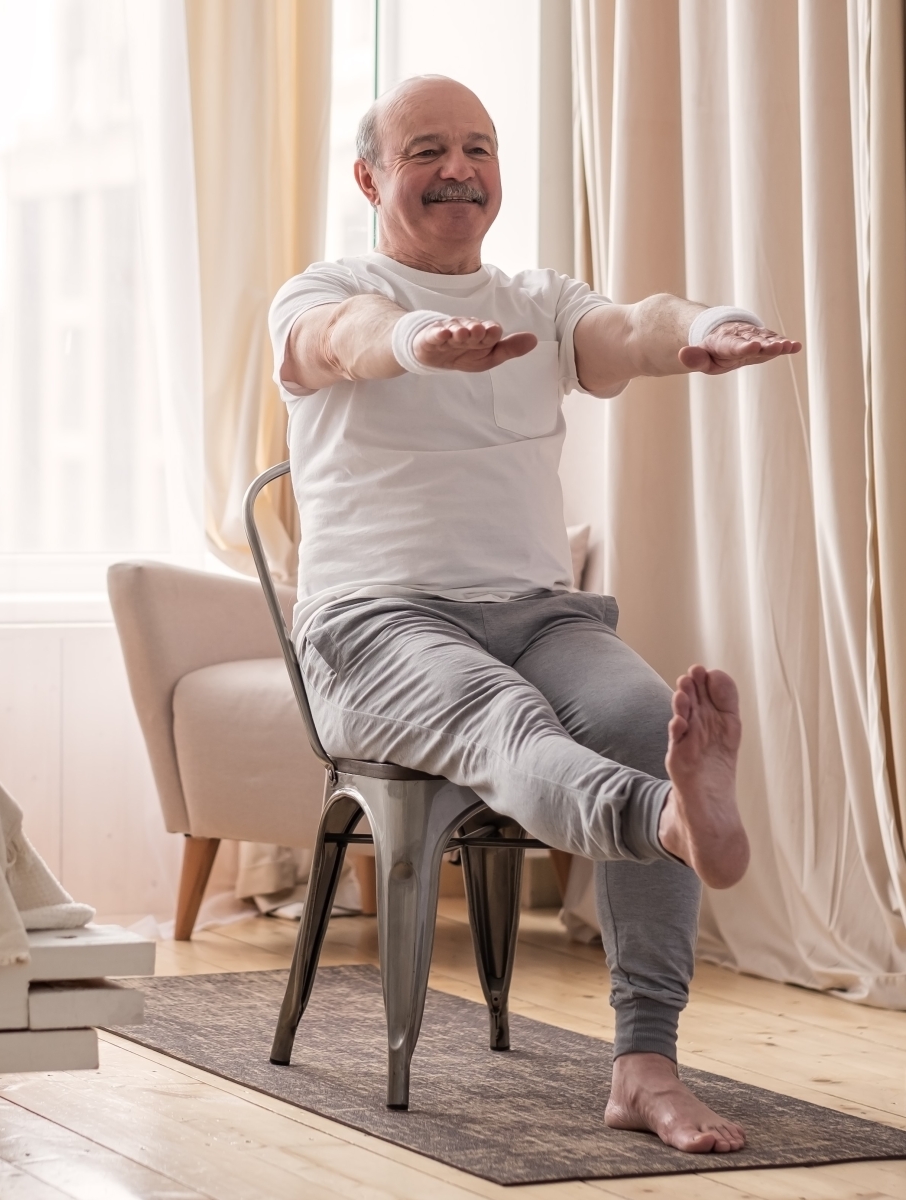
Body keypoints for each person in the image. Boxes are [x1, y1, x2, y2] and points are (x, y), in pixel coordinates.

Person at [268, 75, 801, 1154]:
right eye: (426, 151)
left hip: (539, 613)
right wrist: (419, 343)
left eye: (478, 147)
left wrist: (705, 328)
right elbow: (345, 338)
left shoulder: (535, 298)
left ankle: (643, 1068)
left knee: (649, 718)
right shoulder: (323, 287)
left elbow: (625, 329)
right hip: (375, 627)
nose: (458, 168)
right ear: (370, 177)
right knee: (504, 726)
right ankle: (663, 821)